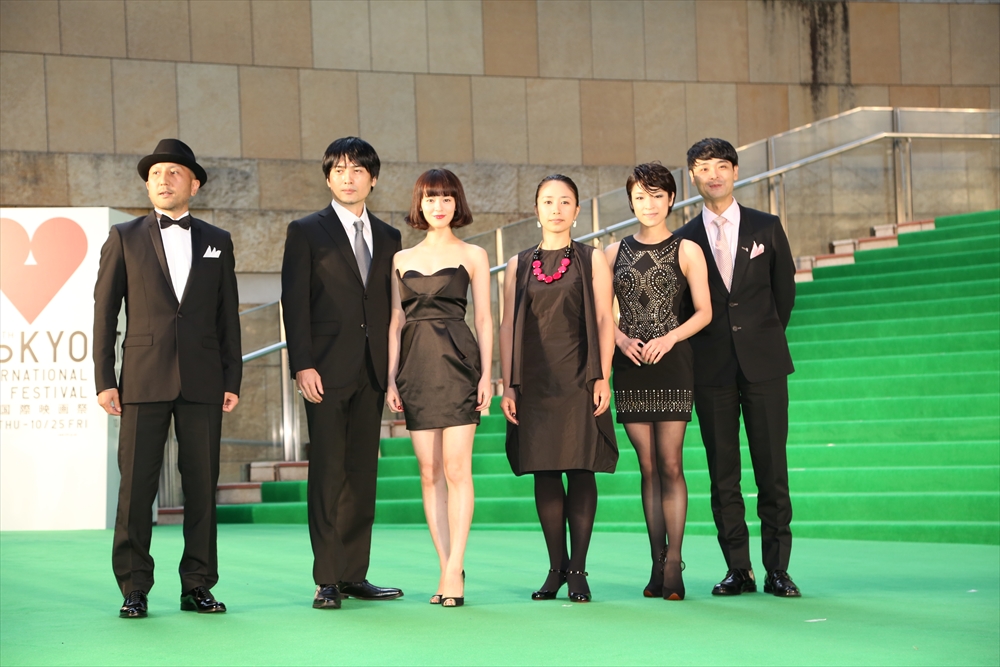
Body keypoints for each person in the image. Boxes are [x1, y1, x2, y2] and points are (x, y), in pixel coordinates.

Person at [94, 138, 242, 618]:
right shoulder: (124, 237)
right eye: (156, 173)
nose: (163, 180)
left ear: (194, 185)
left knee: (202, 489)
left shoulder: (218, 240)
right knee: (136, 489)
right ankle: (133, 586)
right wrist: (104, 377)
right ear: (147, 185)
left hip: (204, 380)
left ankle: (197, 584)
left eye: (174, 172)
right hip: (141, 379)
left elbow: (227, 315)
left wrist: (232, 378)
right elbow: (104, 312)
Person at [674, 138, 801, 598]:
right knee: (722, 473)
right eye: (704, 167)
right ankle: (738, 569)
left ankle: (778, 570)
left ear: (735, 171)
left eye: (721, 166)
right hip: (711, 368)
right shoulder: (684, 238)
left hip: (765, 365)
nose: (714, 175)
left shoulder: (767, 226)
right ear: (692, 175)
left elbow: (783, 293)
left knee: (772, 469)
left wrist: (760, 338)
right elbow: (683, 304)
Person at [280, 137, 403, 609]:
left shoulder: (389, 237)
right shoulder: (306, 231)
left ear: (373, 179)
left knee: (362, 475)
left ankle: (354, 574)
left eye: (357, 170)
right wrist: (302, 363)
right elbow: (294, 302)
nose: (347, 178)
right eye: (339, 171)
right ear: (328, 178)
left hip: (372, 371)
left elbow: (390, 309)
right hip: (325, 370)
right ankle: (327, 578)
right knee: (328, 473)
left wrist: (393, 372)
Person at [499, 174, 618, 603]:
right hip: (534, 382)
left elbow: (604, 319)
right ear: (536, 210)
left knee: (581, 468)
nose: (556, 209)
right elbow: (507, 325)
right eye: (548, 201)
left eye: (565, 201)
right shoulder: (517, 264)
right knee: (545, 470)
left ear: (577, 210)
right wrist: (508, 385)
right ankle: (556, 568)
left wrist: (603, 375)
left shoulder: (591, 258)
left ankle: (578, 570)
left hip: (580, 377)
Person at [386, 169, 493, 609]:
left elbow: (483, 318)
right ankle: (446, 564)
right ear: (420, 204)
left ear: (457, 203)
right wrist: (390, 377)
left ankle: (454, 571)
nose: (439, 205)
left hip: (459, 364)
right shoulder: (399, 258)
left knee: (456, 468)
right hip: (415, 368)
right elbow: (396, 321)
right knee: (429, 472)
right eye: (431, 198)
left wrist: (487, 375)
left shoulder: (474, 254)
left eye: (447, 198)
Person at [604, 163, 711, 601]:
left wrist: (669, 338)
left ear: (671, 199)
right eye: (640, 196)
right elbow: (601, 313)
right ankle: (655, 559)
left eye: (656, 195)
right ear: (630, 201)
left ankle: (674, 562)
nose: (648, 204)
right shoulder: (612, 252)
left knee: (670, 465)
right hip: (629, 365)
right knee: (647, 467)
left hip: (672, 363)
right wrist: (620, 339)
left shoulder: (687, 249)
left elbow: (704, 312)